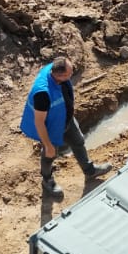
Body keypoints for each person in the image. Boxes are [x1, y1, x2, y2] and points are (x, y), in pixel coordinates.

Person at [20, 56, 111, 199]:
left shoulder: (56, 70)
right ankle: (47, 180)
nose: (72, 73)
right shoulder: (42, 94)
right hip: (51, 128)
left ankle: (89, 171)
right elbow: (39, 122)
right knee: (50, 154)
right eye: (70, 73)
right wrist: (48, 144)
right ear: (60, 75)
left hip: (65, 119)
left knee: (78, 141)